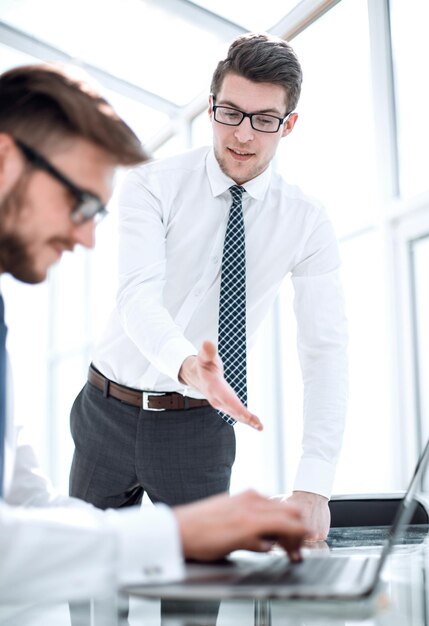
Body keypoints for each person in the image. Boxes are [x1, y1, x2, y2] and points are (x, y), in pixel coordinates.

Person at [0, 63, 308, 601]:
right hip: (108, 409)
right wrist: (177, 533)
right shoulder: (163, 187)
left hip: (192, 430)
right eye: (81, 203)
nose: (86, 237)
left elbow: (26, 502)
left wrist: (197, 530)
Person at [69, 32, 348, 542]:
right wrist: (190, 367)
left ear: (289, 125)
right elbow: (137, 296)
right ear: (212, 105)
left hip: (197, 431)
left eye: (264, 120)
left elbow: (324, 351)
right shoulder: (152, 184)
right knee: (90, 594)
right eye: (230, 113)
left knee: (197, 608)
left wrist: (315, 484)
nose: (242, 135)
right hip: (105, 411)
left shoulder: (306, 222)